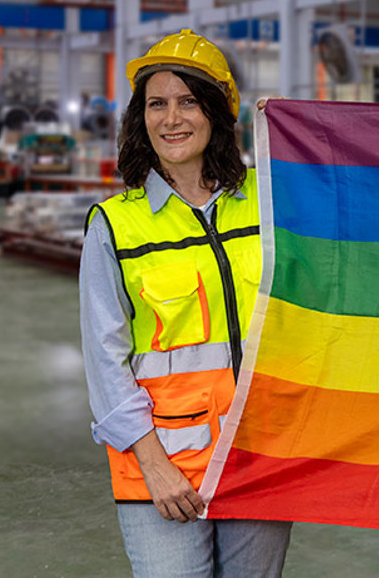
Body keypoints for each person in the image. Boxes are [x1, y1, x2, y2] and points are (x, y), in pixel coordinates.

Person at [79, 29, 291, 576]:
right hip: (163, 466)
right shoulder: (116, 225)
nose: (171, 118)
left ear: (218, 112)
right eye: (157, 103)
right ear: (140, 118)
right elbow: (106, 365)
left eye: (189, 101)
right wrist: (154, 466)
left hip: (258, 455)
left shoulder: (266, 208)